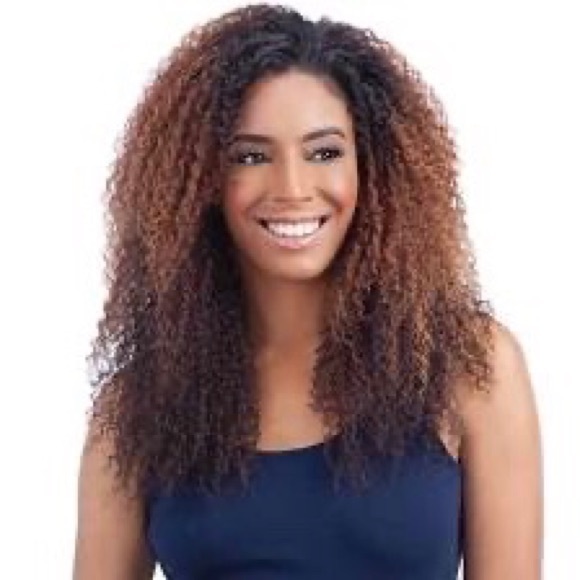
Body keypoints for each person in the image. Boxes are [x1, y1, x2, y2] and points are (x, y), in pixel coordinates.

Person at [73, 4, 542, 579]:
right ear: (200, 181)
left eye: (324, 152)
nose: (293, 188)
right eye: (250, 156)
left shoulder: (471, 368)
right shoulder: (136, 406)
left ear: (373, 166)